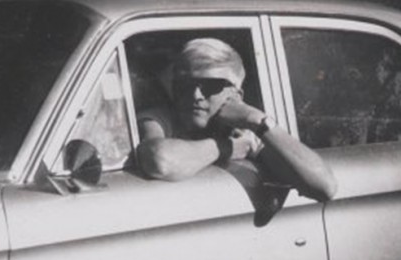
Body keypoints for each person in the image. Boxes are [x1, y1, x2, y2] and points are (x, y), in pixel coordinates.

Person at [136, 38, 337, 202]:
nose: (195, 95)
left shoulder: (248, 133)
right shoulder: (161, 119)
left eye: (211, 86)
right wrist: (226, 148)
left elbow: (324, 187)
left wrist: (258, 121)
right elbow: (160, 160)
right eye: (185, 85)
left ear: (236, 95)